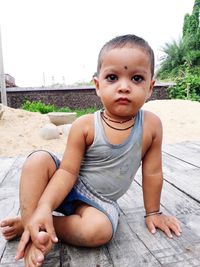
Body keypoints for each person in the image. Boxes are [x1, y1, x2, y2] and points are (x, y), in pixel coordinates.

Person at [0, 34, 182, 267]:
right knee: (37, 160)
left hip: (99, 202)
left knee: (99, 231)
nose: (124, 87)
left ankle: (37, 225)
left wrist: (153, 212)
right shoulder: (85, 125)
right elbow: (66, 172)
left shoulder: (151, 126)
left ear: (150, 87)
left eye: (136, 78)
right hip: (66, 184)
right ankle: (32, 220)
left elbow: (153, 173)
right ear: (97, 85)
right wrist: (44, 206)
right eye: (112, 77)